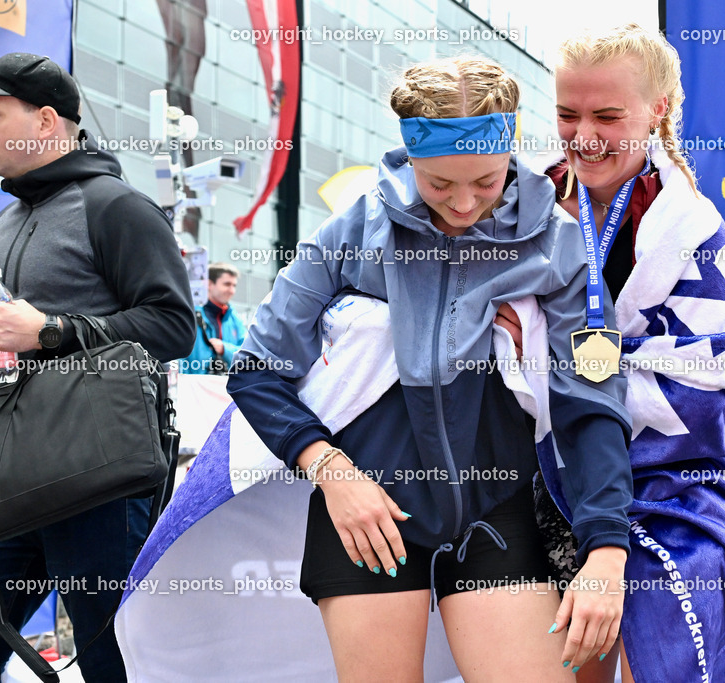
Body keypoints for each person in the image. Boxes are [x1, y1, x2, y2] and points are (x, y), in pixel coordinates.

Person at [226, 55, 633, 681]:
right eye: (440, 184)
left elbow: (595, 394)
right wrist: (333, 473)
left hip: (499, 510)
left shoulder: (559, 243)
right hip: (368, 512)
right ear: (409, 155)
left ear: (511, 152)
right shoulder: (352, 231)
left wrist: (606, 548)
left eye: (487, 182)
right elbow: (258, 367)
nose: (464, 203)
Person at [497, 25, 725, 682]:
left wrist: (555, 367)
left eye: (608, 116)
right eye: (566, 114)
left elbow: (706, 376)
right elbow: (473, 334)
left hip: (673, 486)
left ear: (657, 108)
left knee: (663, 631)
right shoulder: (515, 209)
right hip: (533, 478)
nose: (584, 135)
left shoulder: (694, 228)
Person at [0, 52, 194, 680]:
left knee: (114, 657)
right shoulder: (1, 223)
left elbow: (175, 327)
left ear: (45, 121)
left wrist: (50, 330)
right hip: (4, 479)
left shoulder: (117, 208)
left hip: (100, 480)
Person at [182, 262, 246, 374]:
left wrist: (224, 348)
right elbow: (177, 355)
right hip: (191, 388)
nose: (232, 291)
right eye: (227, 284)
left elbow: (248, 356)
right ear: (209, 284)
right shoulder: (188, 313)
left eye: (234, 285)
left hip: (225, 389)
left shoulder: (235, 319)